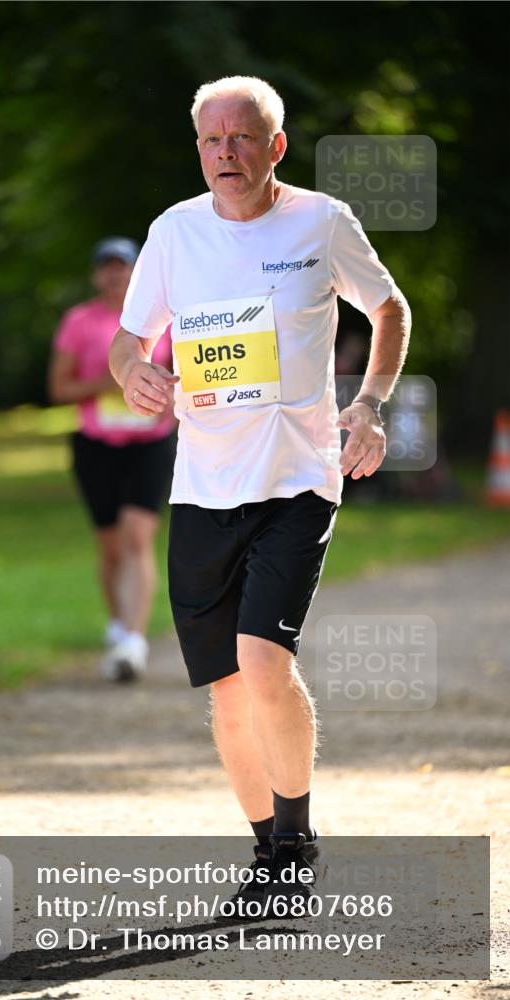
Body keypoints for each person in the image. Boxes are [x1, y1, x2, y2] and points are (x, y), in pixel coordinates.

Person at [109, 76, 411, 915]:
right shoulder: (174, 232)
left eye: (241, 139)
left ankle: (295, 840)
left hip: (298, 479)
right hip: (203, 486)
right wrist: (133, 371)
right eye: (210, 141)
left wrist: (368, 403)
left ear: (273, 146)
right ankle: (267, 853)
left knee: (263, 662)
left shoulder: (320, 221)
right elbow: (129, 340)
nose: (224, 155)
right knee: (227, 689)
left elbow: (389, 308)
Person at [49, 237, 177, 682]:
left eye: (123, 266)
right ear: (95, 275)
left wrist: (170, 407)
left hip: (151, 442)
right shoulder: (79, 321)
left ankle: (133, 642)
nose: (115, 274)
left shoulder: (166, 318)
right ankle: (120, 624)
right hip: (96, 444)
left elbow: (187, 377)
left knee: (138, 538)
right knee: (110, 545)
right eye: (106, 267)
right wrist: (109, 382)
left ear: (138, 271)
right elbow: (60, 389)